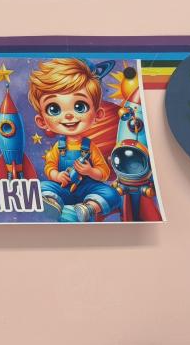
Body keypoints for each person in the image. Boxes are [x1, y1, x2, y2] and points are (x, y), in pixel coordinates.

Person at [27, 58, 120, 222]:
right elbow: (49, 167)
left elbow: (104, 173)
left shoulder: (90, 147)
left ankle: (88, 208)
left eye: (79, 107)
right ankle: (53, 203)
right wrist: (57, 176)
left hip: (88, 190)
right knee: (41, 187)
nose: (69, 115)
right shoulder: (59, 147)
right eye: (54, 109)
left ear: (97, 115)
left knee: (111, 194)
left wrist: (89, 171)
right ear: (42, 122)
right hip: (63, 189)